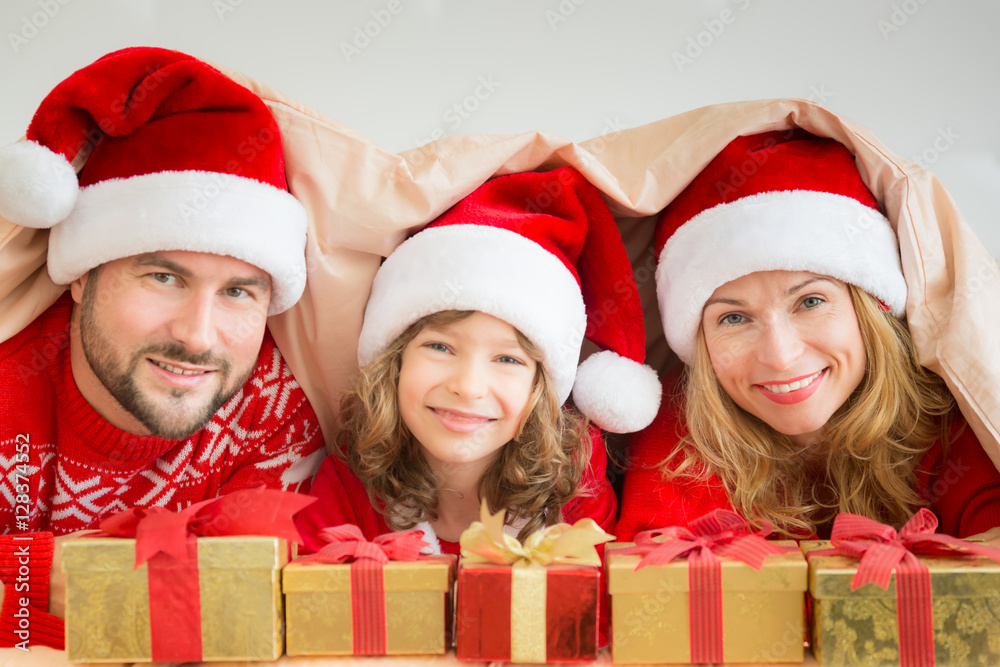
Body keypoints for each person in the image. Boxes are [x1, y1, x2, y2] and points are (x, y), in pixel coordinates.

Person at [0, 47, 326, 648]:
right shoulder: (8, 381)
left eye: (237, 292)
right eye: (163, 278)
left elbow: (218, 622)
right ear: (80, 274)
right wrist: (46, 580)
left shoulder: (274, 413)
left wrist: (19, 581)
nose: (197, 336)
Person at [617, 130, 1000, 543]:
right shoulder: (679, 423)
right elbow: (663, 574)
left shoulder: (947, 413)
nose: (780, 356)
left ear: (872, 307)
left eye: (810, 302)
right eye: (733, 318)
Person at [295, 166, 661, 555]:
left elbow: (591, 608)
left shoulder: (572, 485)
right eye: (440, 347)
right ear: (394, 362)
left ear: (541, 387)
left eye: (507, 358)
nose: (468, 387)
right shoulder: (349, 484)